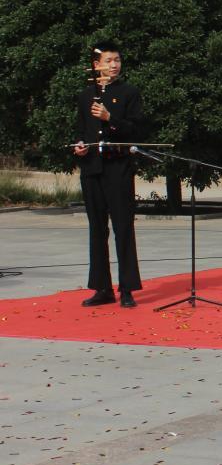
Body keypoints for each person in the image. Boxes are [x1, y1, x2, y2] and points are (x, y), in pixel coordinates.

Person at [73, 44, 146, 308]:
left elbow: (136, 130)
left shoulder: (129, 93)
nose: (114, 65)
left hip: (118, 168)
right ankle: (102, 288)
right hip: (92, 168)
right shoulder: (85, 95)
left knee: (123, 228)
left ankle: (127, 288)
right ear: (96, 65)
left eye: (117, 60)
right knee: (97, 229)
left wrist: (109, 118)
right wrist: (79, 145)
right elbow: (81, 129)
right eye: (108, 60)